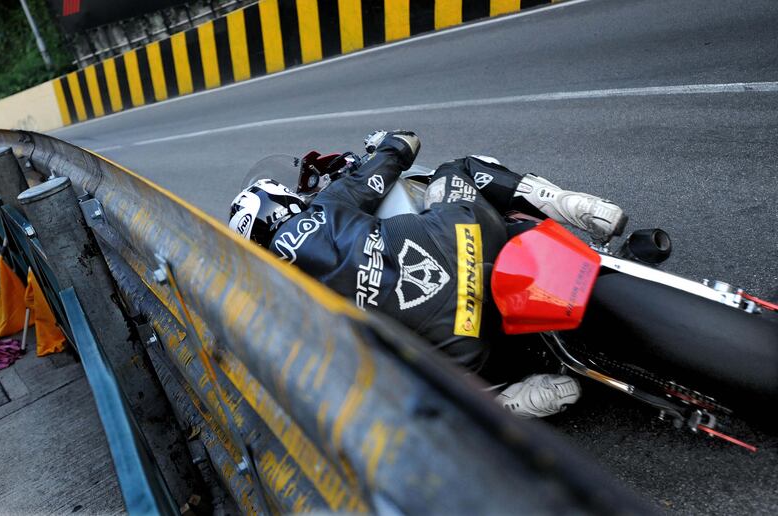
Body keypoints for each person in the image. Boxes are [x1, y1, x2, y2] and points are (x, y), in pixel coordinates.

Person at [228, 131, 626, 418]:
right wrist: (388, 142)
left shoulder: (285, 302)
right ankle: (570, 204)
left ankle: (506, 399)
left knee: (396, 380)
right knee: (459, 167)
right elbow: (402, 148)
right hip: (466, 241)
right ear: (284, 200)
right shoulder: (328, 203)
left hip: (461, 344)